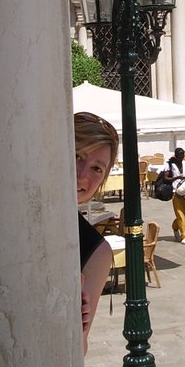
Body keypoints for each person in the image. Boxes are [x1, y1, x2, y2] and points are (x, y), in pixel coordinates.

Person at [75, 111, 119, 354]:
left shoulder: (97, 253)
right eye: (76, 156)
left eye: (96, 169)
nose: (82, 175)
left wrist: (76, 325)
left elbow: (78, 349)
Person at [164, 146, 185, 244]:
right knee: (180, 215)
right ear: (176, 156)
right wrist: (176, 178)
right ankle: (184, 235)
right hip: (175, 192)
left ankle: (175, 226)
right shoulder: (170, 165)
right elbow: (165, 178)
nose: (181, 158)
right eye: (179, 156)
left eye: (182, 156)